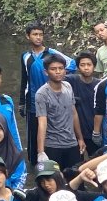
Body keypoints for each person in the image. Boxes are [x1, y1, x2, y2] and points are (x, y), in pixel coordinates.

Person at [20, 22, 72, 165]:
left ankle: (52, 160)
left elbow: (72, 64)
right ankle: (35, 162)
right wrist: (21, 103)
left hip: (52, 98)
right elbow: (25, 79)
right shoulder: (26, 57)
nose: (38, 38)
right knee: (33, 133)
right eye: (34, 34)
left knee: (52, 129)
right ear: (28, 36)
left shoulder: (52, 53)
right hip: (32, 101)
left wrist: (62, 78)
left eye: (40, 34)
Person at [35, 56, 85, 171]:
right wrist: (41, 151)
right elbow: (42, 123)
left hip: (72, 143)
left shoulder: (68, 86)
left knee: (75, 179)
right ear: (46, 72)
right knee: (55, 182)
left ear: (65, 70)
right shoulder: (42, 94)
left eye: (60, 68)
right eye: (53, 69)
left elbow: (74, 113)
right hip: (53, 145)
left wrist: (80, 138)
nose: (58, 72)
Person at [67, 51, 101, 155]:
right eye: (82, 65)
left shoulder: (99, 84)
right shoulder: (71, 81)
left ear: (94, 66)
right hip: (74, 132)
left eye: (89, 65)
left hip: (94, 131)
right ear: (78, 67)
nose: (86, 68)